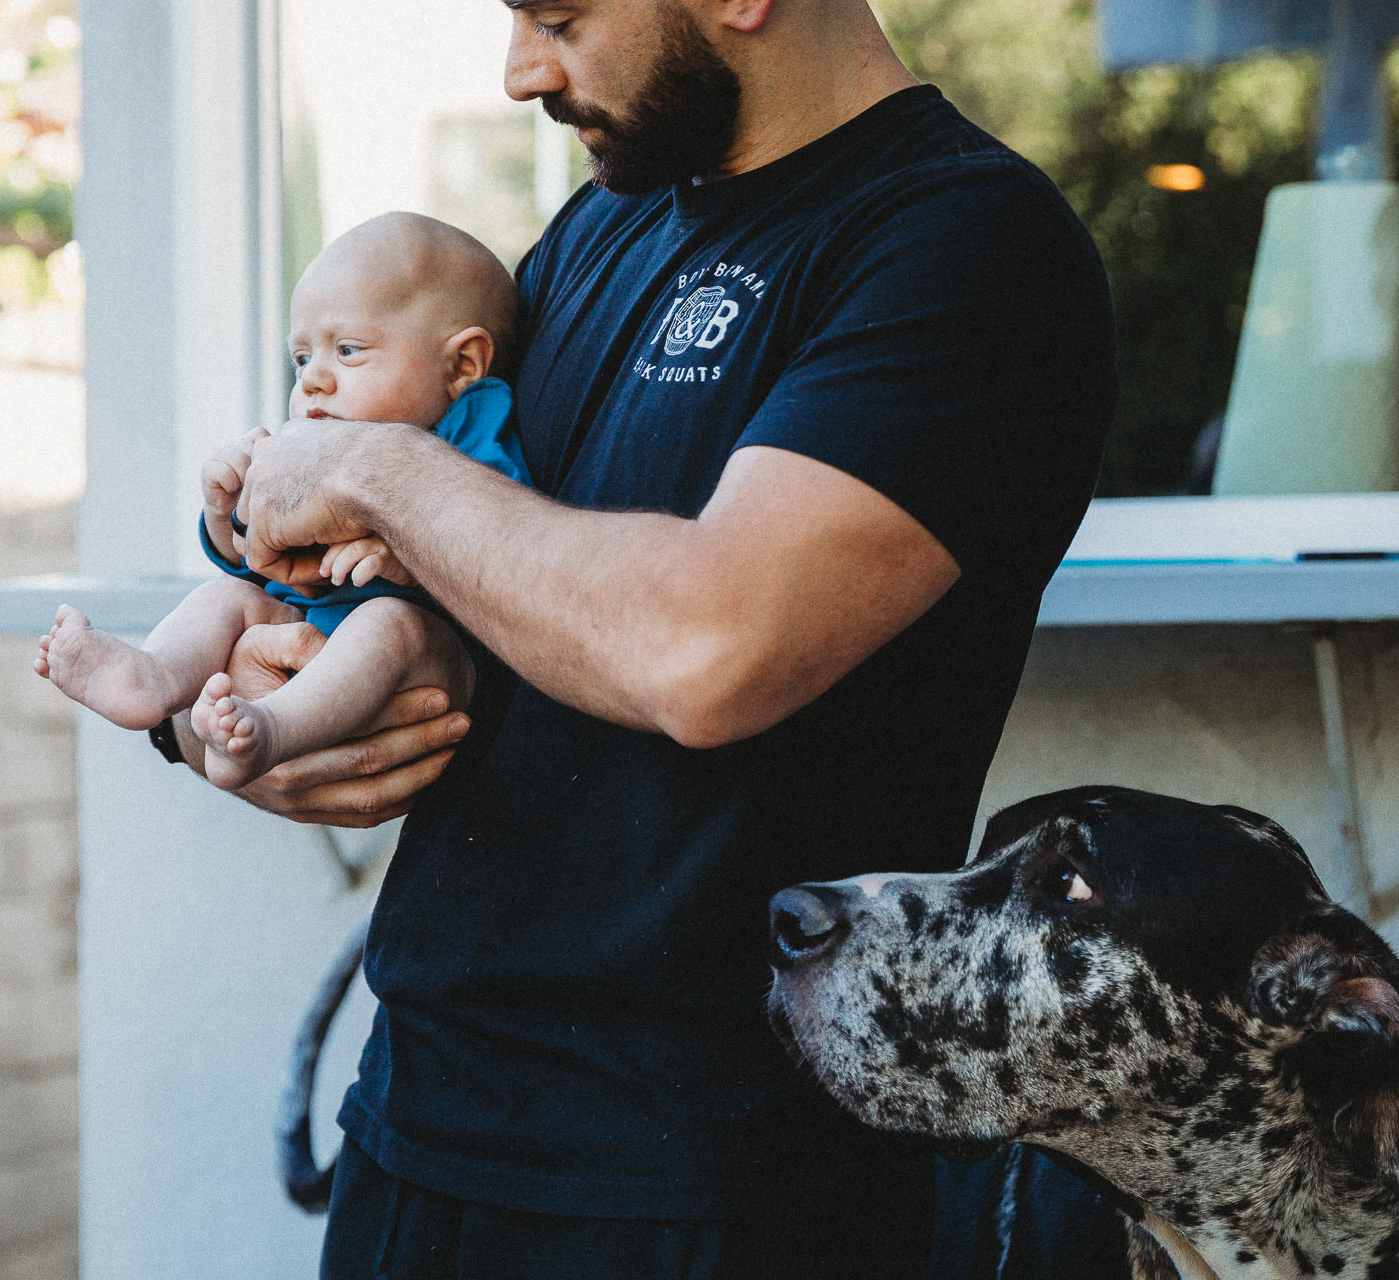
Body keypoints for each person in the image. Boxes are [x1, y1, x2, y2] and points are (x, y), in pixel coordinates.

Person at [200, 0, 1116, 1273]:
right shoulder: (602, 224)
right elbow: (477, 566)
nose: (521, 71)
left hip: (709, 1169)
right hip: (422, 1115)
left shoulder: (963, 243)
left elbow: (711, 646)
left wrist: (372, 469)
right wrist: (276, 679)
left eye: (558, 16)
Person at [35, 213, 526, 789]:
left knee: (388, 623)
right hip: (309, 629)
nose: (313, 380)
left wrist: (408, 553)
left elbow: (493, 540)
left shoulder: (472, 431)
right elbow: (257, 561)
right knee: (226, 596)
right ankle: (154, 678)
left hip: (430, 655)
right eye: (301, 359)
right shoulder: (308, 445)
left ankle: (268, 730)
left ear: (462, 366)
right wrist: (229, 516)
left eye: (347, 350)